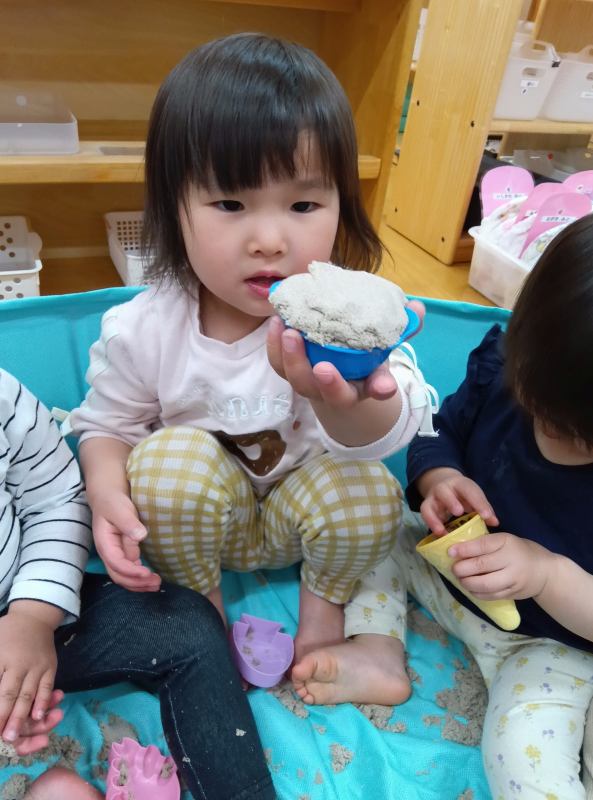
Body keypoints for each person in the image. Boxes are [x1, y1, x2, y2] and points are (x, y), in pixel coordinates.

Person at [66, 32, 436, 673]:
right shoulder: (144, 327)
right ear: (174, 208)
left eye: (303, 204)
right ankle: (202, 612)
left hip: (306, 522)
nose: (269, 239)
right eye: (231, 203)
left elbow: (399, 424)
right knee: (161, 464)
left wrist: (349, 405)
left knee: (373, 489)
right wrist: (105, 492)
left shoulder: (352, 318)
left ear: (342, 206)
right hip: (204, 527)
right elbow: (107, 426)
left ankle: (323, 609)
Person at [291, 214, 593, 799]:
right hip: (443, 570)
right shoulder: (509, 366)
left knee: (524, 766)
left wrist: (547, 574)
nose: (550, 433)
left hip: (546, 647)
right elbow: (437, 429)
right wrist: (440, 477)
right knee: (371, 525)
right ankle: (379, 651)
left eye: (580, 435)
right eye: (536, 405)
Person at [0, 368, 274, 800]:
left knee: (187, 624)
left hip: (32, 603)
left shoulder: (4, 398)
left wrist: (33, 615)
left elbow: (54, 500)